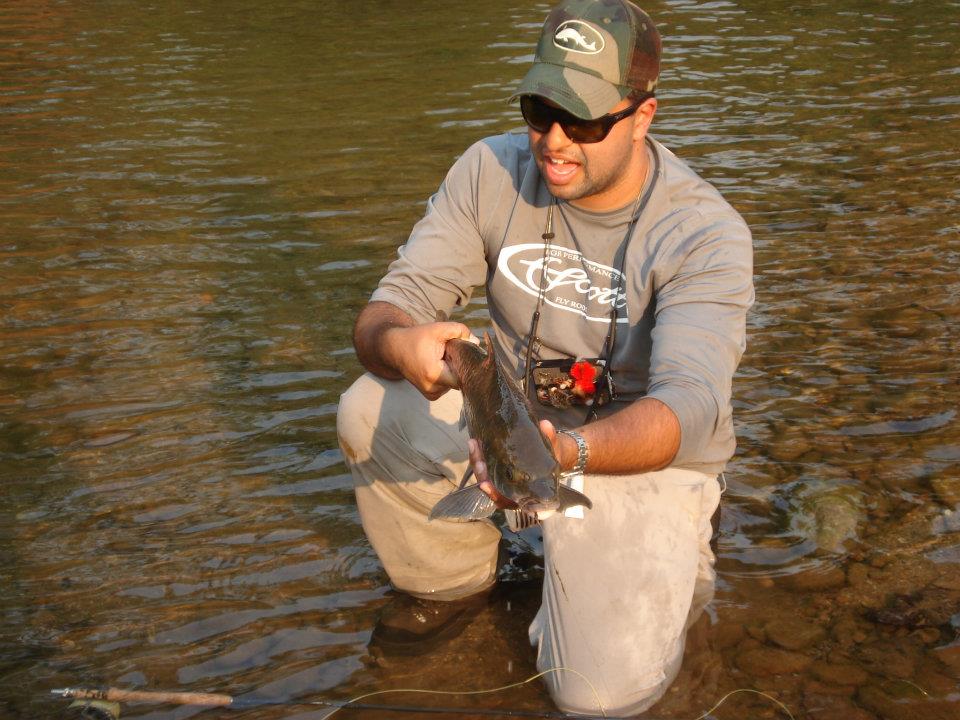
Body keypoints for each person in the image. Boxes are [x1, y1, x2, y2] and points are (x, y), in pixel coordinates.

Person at [336, 0, 754, 714]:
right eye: (540, 109)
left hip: (638, 460)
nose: (554, 141)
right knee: (368, 405)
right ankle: (465, 591)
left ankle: (669, 562)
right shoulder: (489, 170)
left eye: (585, 120)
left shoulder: (704, 232)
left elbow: (689, 407)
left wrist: (566, 455)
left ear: (642, 115)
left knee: (600, 700)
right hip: (515, 435)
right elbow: (388, 308)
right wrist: (398, 344)